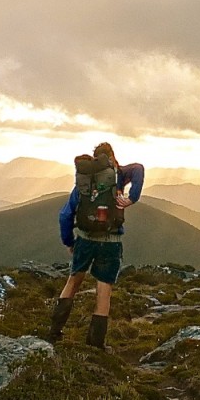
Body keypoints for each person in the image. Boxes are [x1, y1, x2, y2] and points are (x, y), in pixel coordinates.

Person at [48, 142, 144, 348]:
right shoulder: (118, 176)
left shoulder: (83, 184)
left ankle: (54, 332)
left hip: (84, 239)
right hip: (111, 242)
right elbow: (139, 168)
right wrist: (132, 198)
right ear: (112, 157)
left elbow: (65, 215)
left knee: (73, 282)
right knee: (104, 290)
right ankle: (95, 345)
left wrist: (69, 242)